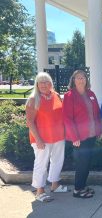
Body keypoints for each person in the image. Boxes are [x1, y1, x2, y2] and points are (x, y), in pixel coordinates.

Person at [25, 72, 68, 202]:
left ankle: (55, 185)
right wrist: (38, 139)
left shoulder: (55, 96)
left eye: (46, 82)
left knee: (57, 161)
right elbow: (30, 122)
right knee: (41, 164)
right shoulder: (33, 99)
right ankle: (39, 191)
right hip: (41, 138)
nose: (44, 85)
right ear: (37, 84)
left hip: (58, 136)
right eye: (41, 82)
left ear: (51, 83)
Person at [63, 70, 102, 198]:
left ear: (86, 80)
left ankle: (83, 186)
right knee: (82, 163)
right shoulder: (69, 96)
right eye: (78, 78)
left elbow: (97, 113)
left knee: (87, 162)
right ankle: (77, 190)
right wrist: (74, 137)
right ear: (73, 80)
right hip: (79, 137)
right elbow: (67, 118)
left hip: (91, 135)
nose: (81, 80)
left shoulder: (91, 94)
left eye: (83, 78)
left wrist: (99, 130)